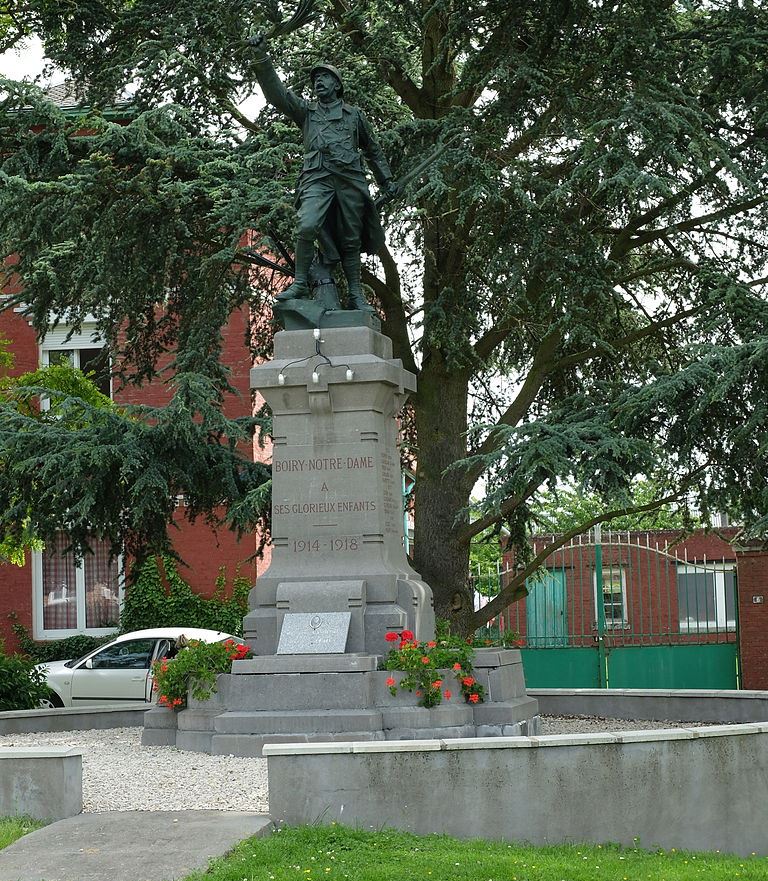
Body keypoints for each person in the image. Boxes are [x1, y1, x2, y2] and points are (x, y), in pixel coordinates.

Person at [249, 33, 398, 312]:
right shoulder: (306, 112)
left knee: (351, 240)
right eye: (315, 78)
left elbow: (373, 149)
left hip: (350, 181)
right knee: (307, 225)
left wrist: (386, 179)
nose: (318, 81)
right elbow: (276, 95)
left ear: (337, 85)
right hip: (317, 179)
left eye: (325, 77)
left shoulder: (354, 115)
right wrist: (262, 58)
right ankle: (301, 281)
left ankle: (356, 295)